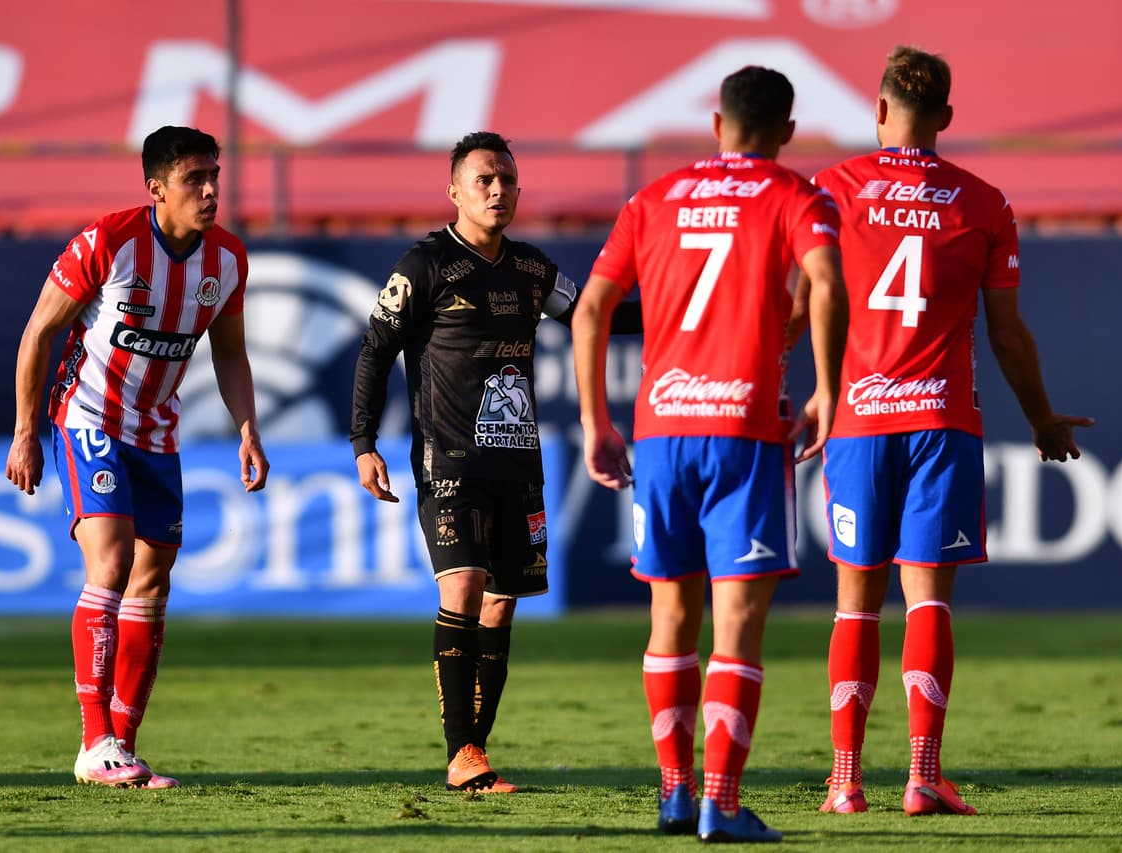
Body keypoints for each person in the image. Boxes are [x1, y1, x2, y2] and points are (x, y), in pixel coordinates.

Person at [798, 46, 1094, 817]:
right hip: (940, 422)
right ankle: (924, 775)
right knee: (928, 601)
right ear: (949, 119)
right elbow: (1008, 335)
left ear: (879, 108)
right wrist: (1041, 418)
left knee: (855, 603)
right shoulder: (984, 202)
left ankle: (844, 780)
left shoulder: (835, 189)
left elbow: (802, 303)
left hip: (859, 422)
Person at [572, 67, 849, 843]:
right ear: (787, 131)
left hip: (661, 431)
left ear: (717, 122)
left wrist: (597, 417)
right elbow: (825, 284)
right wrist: (827, 387)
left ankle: (673, 792)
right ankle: (720, 805)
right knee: (737, 621)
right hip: (742, 430)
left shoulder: (651, 199)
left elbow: (591, 307)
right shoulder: (798, 195)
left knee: (670, 614)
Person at [350, 131, 641, 795]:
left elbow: (596, 315)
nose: (497, 190)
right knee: (464, 587)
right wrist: (363, 443)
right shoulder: (424, 265)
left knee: (501, 608)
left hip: (520, 466)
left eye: (508, 180)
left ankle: (474, 748)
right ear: (453, 191)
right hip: (449, 459)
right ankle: (462, 755)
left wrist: (683, 314)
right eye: (483, 179)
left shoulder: (533, 271)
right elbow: (375, 350)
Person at [4, 125, 269, 789]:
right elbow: (41, 330)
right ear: (156, 188)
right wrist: (23, 430)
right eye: (193, 180)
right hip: (88, 416)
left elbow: (229, 351)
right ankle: (96, 741)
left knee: (153, 579)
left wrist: (248, 428)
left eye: (215, 176)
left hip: (158, 432)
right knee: (113, 560)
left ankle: (121, 742)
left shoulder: (228, 260)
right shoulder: (109, 242)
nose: (210, 191)